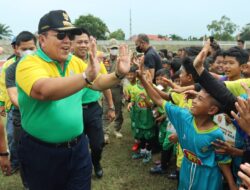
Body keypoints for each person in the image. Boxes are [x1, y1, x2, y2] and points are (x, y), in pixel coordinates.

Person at [16, 10, 130, 190]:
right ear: (42, 39)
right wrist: (86, 76)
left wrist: (118, 73)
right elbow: (43, 90)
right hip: (41, 152)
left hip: (78, 148)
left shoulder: (74, 62)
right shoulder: (29, 63)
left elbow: (98, 82)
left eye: (70, 35)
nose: (67, 40)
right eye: (60, 35)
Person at [137, 60, 237, 190]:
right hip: (185, 172)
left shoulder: (216, 134)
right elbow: (158, 99)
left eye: (199, 99)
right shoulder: (183, 116)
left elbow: (223, 160)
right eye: (196, 96)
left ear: (212, 110)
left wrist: (232, 184)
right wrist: (142, 79)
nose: (193, 101)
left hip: (207, 180)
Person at [72, 28, 115, 178]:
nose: (83, 45)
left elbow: (104, 85)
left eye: (86, 42)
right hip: (74, 109)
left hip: (92, 108)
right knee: (76, 144)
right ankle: (80, 168)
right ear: (71, 44)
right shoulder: (67, 63)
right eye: (79, 42)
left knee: (97, 144)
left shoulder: (96, 62)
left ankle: (96, 162)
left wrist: (111, 107)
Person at [5, 31, 37, 189]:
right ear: (16, 49)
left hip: (41, 116)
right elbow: (13, 97)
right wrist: (33, 106)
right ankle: (27, 184)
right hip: (20, 117)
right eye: (24, 49)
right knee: (22, 150)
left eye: (32, 48)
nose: (28, 52)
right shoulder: (11, 71)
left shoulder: (43, 66)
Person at [103, 38, 124, 139]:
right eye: (112, 48)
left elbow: (125, 75)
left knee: (118, 111)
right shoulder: (104, 59)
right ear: (108, 49)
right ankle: (105, 131)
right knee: (106, 110)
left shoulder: (121, 59)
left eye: (115, 48)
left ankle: (116, 129)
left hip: (118, 88)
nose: (114, 50)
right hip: (107, 88)